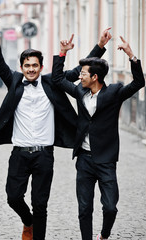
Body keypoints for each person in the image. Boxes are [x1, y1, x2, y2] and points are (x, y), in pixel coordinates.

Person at [0, 18, 111, 240]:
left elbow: (83, 70)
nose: (31, 69)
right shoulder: (13, 81)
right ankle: (27, 221)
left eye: (34, 65)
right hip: (20, 153)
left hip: (44, 155)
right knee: (13, 197)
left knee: (40, 205)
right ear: (21, 68)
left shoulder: (52, 82)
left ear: (41, 67)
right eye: (27, 66)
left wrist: (100, 46)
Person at [52, 36, 145, 240]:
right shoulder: (79, 91)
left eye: (83, 73)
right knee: (84, 208)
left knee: (110, 207)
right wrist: (62, 53)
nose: (80, 76)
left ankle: (104, 235)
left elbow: (139, 82)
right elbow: (58, 79)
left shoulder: (114, 92)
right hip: (84, 159)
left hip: (106, 159)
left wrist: (131, 56)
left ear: (94, 77)